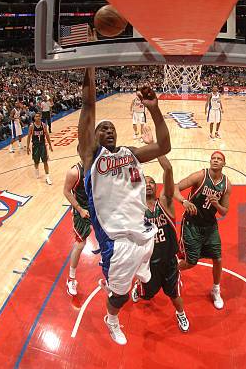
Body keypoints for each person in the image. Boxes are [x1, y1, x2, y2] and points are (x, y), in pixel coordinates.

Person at [78, 63, 171, 345]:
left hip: (143, 230)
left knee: (144, 275)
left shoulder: (130, 153)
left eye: (111, 128)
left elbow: (164, 147)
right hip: (115, 239)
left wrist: (154, 109)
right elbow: (87, 108)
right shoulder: (90, 158)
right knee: (118, 294)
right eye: (102, 128)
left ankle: (133, 277)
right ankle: (112, 319)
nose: (107, 130)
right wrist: (90, 68)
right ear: (92, 138)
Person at [131, 127, 189, 333]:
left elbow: (169, 170)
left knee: (174, 294)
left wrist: (152, 146)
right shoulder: (136, 207)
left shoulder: (165, 202)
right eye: (144, 182)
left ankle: (180, 314)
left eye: (151, 182)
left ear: (156, 187)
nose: (148, 184)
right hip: (147, 261)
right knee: (148, 295)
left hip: (168, 260)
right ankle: (140, 287)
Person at [174, 151, 231, 310]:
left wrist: (217, 205)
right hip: (191, 224)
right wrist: (184, 201)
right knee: (191, 262)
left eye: (219, 159)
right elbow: (174, 187)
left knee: (218, 258)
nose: (215, 160)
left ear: (223, 164)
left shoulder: (226, 184)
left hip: (210, 226)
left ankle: (216, 289)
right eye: (213, 158)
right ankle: (171, 270)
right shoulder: (200, 176)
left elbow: (224, 211)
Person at [63, 156, 92, 296]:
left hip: (96, 207)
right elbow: (66, 192)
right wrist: (80, 210)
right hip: (81, 209)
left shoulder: (96, 166)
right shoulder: (74, 172)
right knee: (80, 244)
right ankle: (71, 278)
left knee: (109, 237)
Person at [26, 112, 53, 185]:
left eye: (38, 116)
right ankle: (37, 170)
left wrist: (50, 145)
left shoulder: (43, 125)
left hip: (42, 145)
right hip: (35, 146)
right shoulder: (32, 126)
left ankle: (47, 177)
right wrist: (27, 147)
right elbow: (28, 137)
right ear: (34, 118)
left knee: (45, 161)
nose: (37, 117)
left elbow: (47, 135)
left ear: (40, 117)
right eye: (36, 116)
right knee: (36, 162)